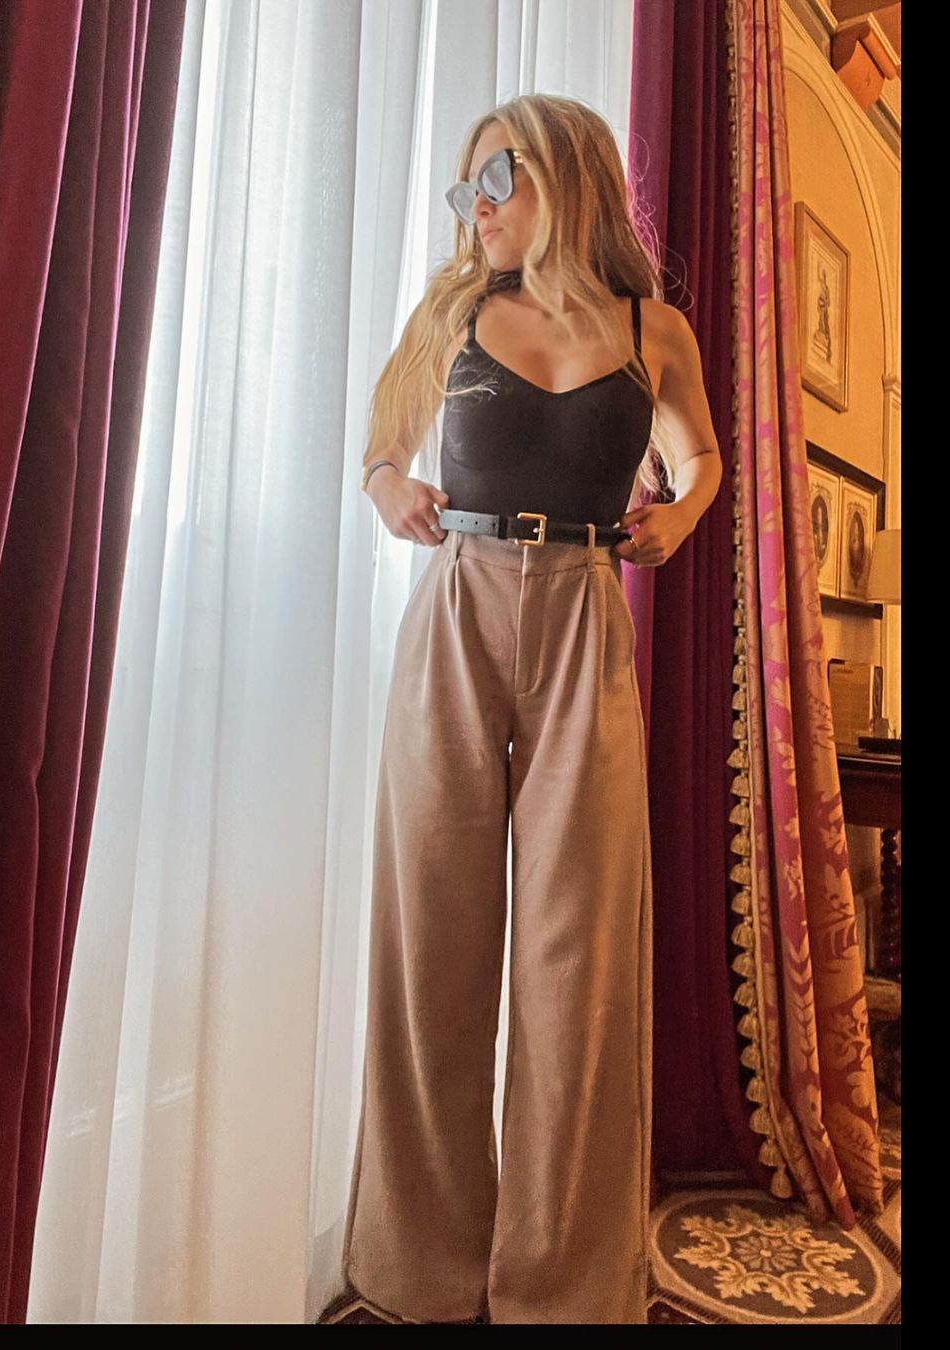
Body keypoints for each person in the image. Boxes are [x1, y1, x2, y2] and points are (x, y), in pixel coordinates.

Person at [342, 93, 722, 1326]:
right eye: (465, 190)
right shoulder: (452, 312)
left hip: (584, 617)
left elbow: (701, 457)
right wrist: (390, 484)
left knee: (579, 957)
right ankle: (422, 1266)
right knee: (432, 939)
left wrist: (680, 512)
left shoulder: (653, 330)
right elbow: (380, 446)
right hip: (458, 608)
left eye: (493, 180)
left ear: (564, 174)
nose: (477, 209)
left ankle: (560, 1283)